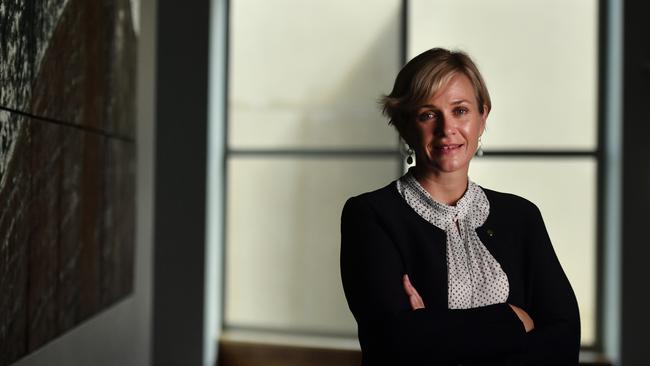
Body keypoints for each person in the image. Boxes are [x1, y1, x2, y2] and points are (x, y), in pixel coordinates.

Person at [340, 48, 580, 365]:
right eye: (428, 114)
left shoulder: (521, 216)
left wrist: (434, 334)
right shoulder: (370, 215)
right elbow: (393, 343)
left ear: (483, 116)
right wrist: (513, 319)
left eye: (460, 111)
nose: (446, 129)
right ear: (404, 125)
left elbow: (563, 342)